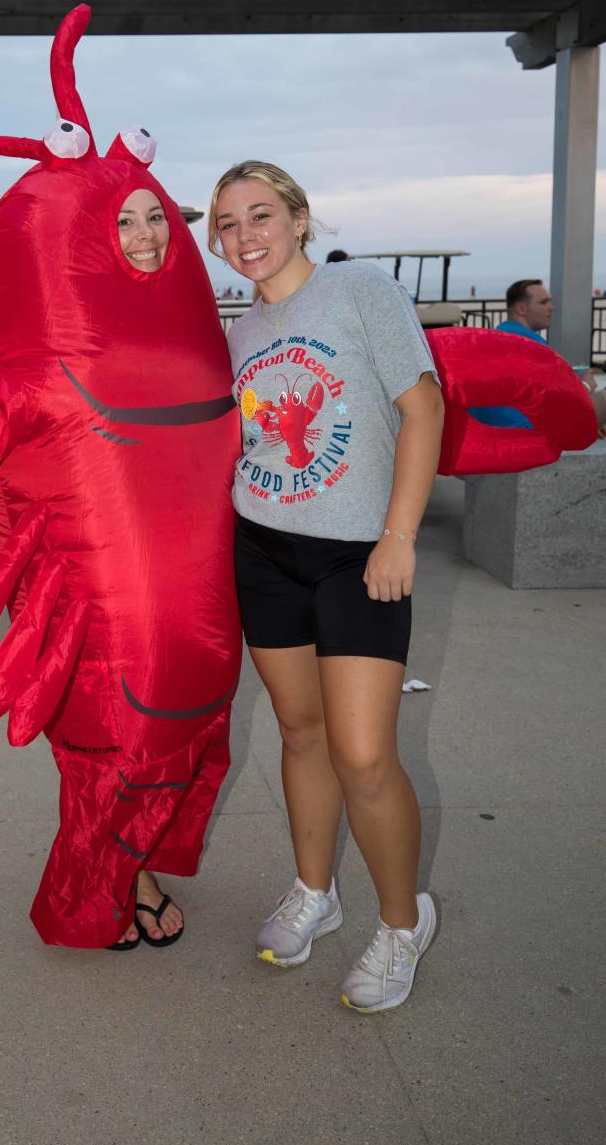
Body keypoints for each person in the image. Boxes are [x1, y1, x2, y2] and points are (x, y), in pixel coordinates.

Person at [209, 160, 444, 1012]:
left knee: (365, 753)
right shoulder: (238, 332)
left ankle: (400, 921)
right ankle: (316, 890)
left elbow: (424, 407)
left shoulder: (361, 292)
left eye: (261, 215)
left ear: (301, 219)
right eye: (228, 225)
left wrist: (399, 536)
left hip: (359, 556)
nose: (246, 237)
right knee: (300, 732)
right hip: (264, 550)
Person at [110, 185, 185, 947]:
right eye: (123, 221)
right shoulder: (78, 314)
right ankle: (127, 872)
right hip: (110, 558)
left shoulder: (189, 307)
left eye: (154, 215)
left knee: (172, 717)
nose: (143, 234)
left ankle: (133, 856)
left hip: (190, 553)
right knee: (118, 720)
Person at [471, 279, 606, 435]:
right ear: (521, 309)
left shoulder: (494, 336)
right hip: (524, 430)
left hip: (487, 427)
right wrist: (586, 384)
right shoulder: (533, 346)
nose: (551, 307)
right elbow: (562, 401)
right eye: (544, 302)